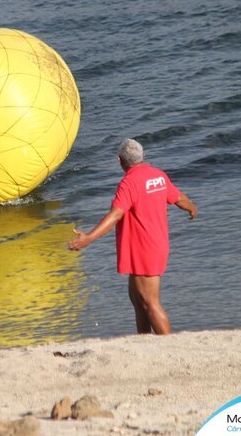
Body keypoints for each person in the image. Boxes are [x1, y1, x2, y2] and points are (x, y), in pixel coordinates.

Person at [67, 138, 198, 335]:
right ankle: (143, 342)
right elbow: (178, 198)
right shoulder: (159, 176)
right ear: (143, 156)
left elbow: (116, 214)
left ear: (119, 160)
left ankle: (170, 346)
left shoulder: (129, 183)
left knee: (150, 301)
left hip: (144, 247)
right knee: (137, 299)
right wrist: (192, 209)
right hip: (153, 244)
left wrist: (89, 238)